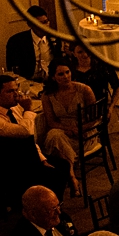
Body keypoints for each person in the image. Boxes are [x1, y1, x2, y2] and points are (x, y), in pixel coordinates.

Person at [0, 74, 71, 201]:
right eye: (10, 91)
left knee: (63, 165)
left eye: (16, 89)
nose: (16, 94)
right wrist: (28, 109)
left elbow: (30, 140)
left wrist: (42, 160)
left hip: (27, 158)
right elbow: (25, 131)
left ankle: (52, 205)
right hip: (11, 165)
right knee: (52, 175)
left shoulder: (13, 109)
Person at [40, 58, 97, 193]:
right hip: (62, 130)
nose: (65, 76)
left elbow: (95, 118)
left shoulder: (84, 90)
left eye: (67, 72)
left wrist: (80, 129)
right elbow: (51, 122)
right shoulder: (48, 96)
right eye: (60, 74)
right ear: (53, 77)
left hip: (84, 132)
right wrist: (68, 129)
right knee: (55, 134)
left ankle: (69, 175)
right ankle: (72, 176)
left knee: (55, 142)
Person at [4, 5, 54, 80]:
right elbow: (13, 70)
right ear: (30, 24)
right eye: (39, 24)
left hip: (51, 81)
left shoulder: (54, 39)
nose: (44, 26)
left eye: (45, 22)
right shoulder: (16, 42)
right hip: (28, 82)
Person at [70, 41, 119, 105]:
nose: (85, 54)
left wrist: (111, 106)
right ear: (74, 54)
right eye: (80, 52)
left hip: (99, 107)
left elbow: (117, 87)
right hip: (76, 107)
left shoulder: (103, 66)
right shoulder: (69, 69)